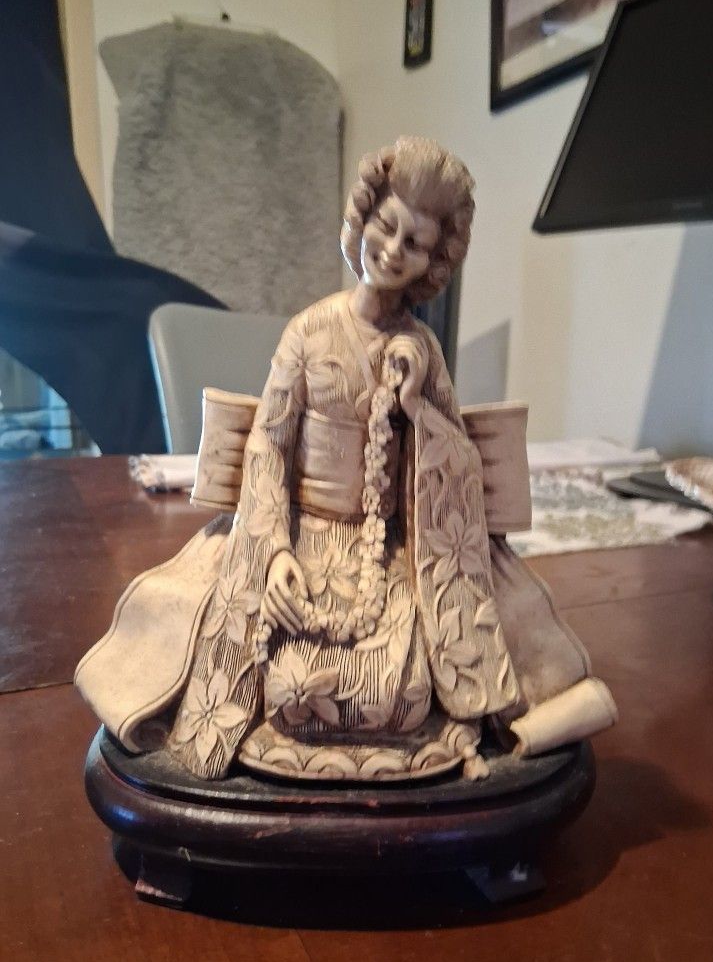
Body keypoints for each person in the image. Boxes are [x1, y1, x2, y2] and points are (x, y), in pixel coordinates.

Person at [76, 137, 614, 783]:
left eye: (415, 243)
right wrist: (273, 550)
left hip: (389, 552)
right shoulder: (309, 331)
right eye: (386, 226)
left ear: (432, 261)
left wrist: (416, 405)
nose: (393, 250)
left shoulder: (423, 349)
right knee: (288, 686)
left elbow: (459, 464)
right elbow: (268, 443)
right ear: (362, 219)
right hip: (302, 537)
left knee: (405, 694)